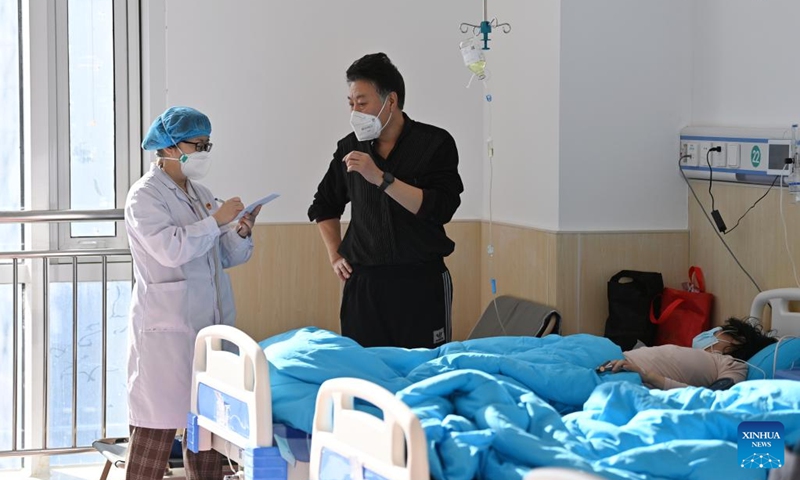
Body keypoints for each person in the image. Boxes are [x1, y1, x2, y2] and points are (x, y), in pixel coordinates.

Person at [124, 106, 261, 480]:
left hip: (207, 328)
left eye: (207, 145)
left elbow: (220, 256)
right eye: (196, 144)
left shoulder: (201, 193)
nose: (202, 153)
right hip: (167, 331)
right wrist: (214, 221)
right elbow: (170, 249)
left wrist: (240, 230)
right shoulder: (144, 197)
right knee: (155, 431)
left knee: (207, 433)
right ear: (168, 146)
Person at [308, 52, 464, 350]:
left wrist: (380, 177)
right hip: (364, 285)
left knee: (424, 372)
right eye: (351, 104)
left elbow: (441, 207)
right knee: (363, 375)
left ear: (390, 101)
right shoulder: (349, 146)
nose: (355, 111)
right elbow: (324, 204)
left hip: (421, 281)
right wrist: (334, 255)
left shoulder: (435, 143)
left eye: (362, 103)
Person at [599, 318, 777, 389]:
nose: (712, 333)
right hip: (611, 360)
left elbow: (712, 400)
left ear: (738, 340)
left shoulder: (732, 364)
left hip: (626, 377)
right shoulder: (696, 355)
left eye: (720, 331)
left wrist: (649, 376)